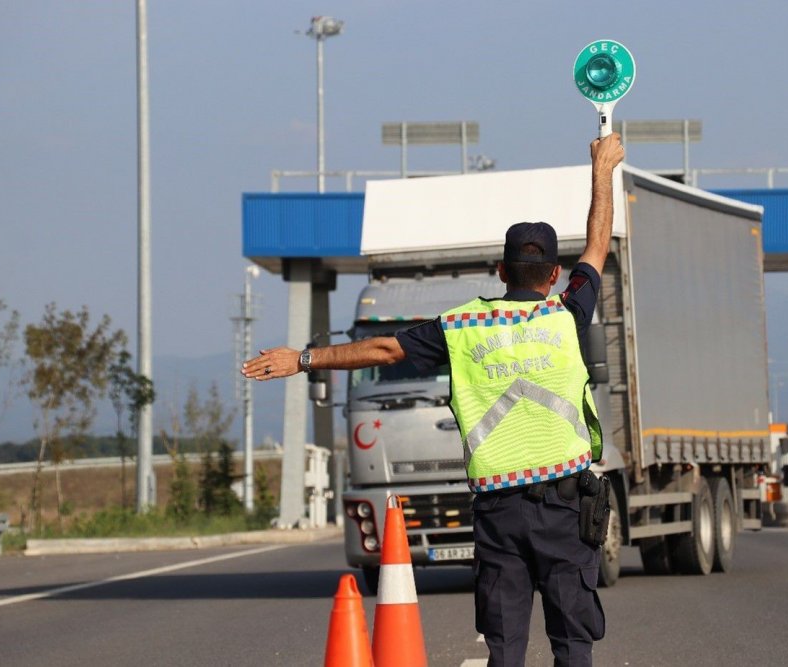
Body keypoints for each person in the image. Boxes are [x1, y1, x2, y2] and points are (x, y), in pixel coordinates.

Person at [242, 132, 625, 666]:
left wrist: (302, 359)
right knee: (573, 643)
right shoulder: (566, 314)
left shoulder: (462, 327)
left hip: (499, 510)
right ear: (555, 275)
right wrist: (601, 169)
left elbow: (381, 348)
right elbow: (598, 243)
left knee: (505, 646)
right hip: (565, 506)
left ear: (500, 271)